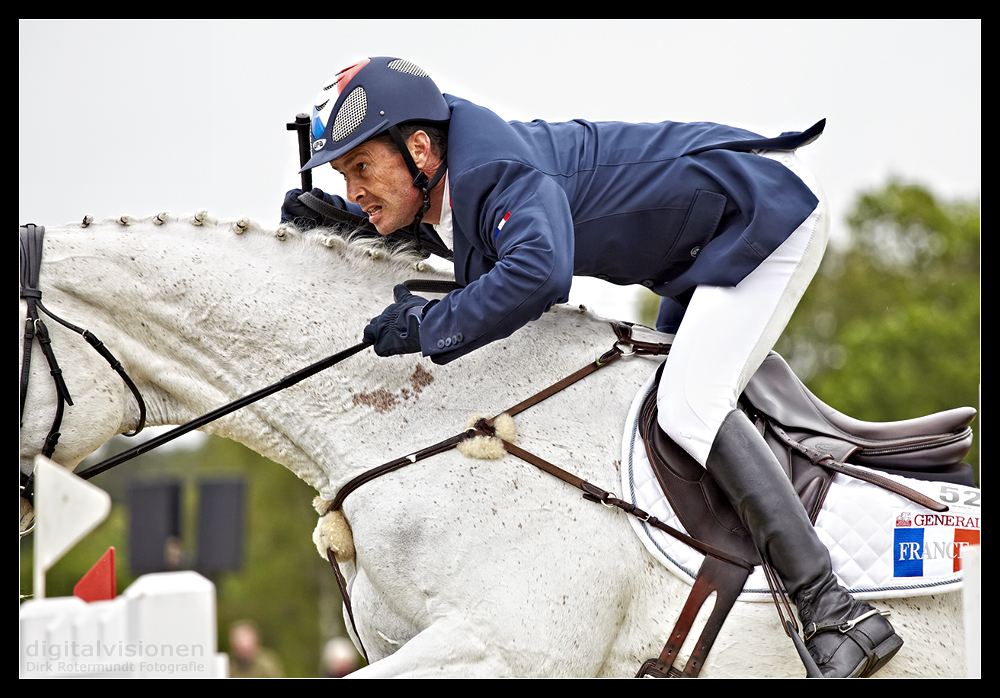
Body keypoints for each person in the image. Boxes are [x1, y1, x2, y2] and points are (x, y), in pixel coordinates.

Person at [281, 56, 902, 678]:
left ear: (419, 148)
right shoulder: (459, 171)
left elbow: (536, 274)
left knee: (690, 405)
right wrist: (365, 232)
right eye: (341, 175)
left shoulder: (497, 171)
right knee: (660, 404)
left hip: (764, 211)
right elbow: (477, 251)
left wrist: (425, 326)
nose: (352, 190)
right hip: (701, 240)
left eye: (360, 168)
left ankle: (834, 609)